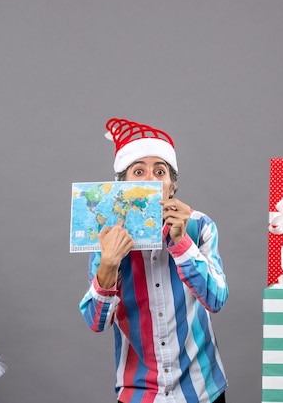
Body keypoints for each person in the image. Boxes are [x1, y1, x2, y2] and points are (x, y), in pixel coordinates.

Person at [79, 118, 228, 403]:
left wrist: (181, 241)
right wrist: (109, 264)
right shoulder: (106, 237)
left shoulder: (201, 226)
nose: (149, 178)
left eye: (160, 171)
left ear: (171, 186)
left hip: (202, 390)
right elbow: (96, 322)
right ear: (121, 186)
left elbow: (217, 299)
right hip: (139, 394)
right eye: (138, 171)